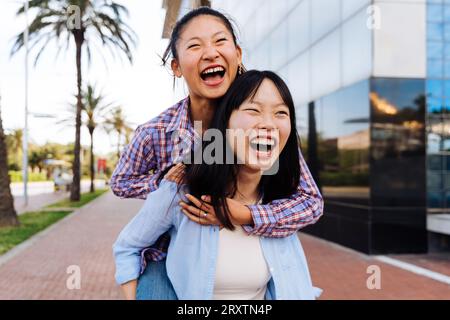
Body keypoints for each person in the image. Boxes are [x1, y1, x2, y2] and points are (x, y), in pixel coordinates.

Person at [110, 7, 323, 300]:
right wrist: (172, 184)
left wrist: (246, 215)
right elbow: (121, 183)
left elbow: (310, 201)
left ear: (238, 55)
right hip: (168, 251)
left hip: (247, 252)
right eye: (195, 46)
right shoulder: (156, 131)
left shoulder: (264, 126)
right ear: (176, 67)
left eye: (220, 41)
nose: (210, 53)